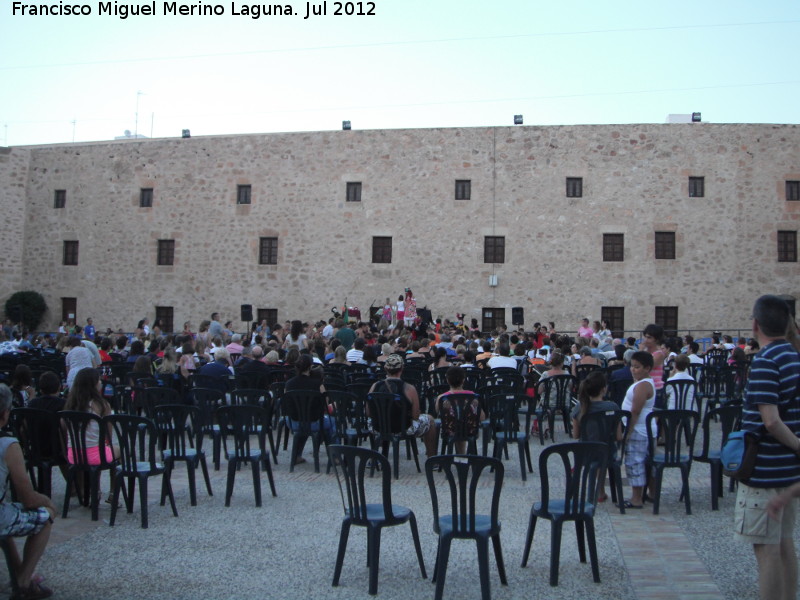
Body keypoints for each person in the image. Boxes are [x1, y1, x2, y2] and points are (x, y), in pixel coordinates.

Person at [735, 294, 800, 600]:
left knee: (766, 551)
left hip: (764, 469)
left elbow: (771, 421)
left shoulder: (765, 361)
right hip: (787, 469)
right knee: (785, 544)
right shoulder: (793, 357)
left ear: (755, 324)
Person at [0, 384, 57, 600]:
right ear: (5, 414)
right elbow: (27, 497)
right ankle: (24, 581)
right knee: (44, 516)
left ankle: (18, 576)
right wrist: (49, 504)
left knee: (9, 520)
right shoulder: (7, 444)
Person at [367, 354, 437, 457]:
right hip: (402, 428)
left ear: (385, 368)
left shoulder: (375, 386)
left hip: (378, 427)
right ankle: (432, 458)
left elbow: (368, 412)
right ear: (402, 368)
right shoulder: (409, 388)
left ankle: (379, 454)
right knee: (430, 420)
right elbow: (415, 416)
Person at [571, 371, 618, 501]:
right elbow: (618, 436)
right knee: (602, 452)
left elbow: (576, 435)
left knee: (594, 456)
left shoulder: (579, 408)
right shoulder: (613, 407)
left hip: (585, 453)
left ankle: (592, 491)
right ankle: (600, 491)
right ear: (604, 389)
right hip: (607, 452)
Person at [620, 351, 656, 509]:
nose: (633, 370)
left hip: (639, 429)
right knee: (647, 462)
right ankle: (651, 493)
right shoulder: (645, 382)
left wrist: (628, 431)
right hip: (645, 428)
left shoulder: (643, 386)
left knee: (635, 462)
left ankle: (636, 498)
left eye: (637, 367)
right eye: (632, 366)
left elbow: (635, 410)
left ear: (647, 368)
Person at [435, 366, 483, 453]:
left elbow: (438, 413)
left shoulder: (442, 398)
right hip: (470, 430)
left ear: (447, 380)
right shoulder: (474, 397)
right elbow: (482, 417)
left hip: (450, 430)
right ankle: (461, 455)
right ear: (463, 380)